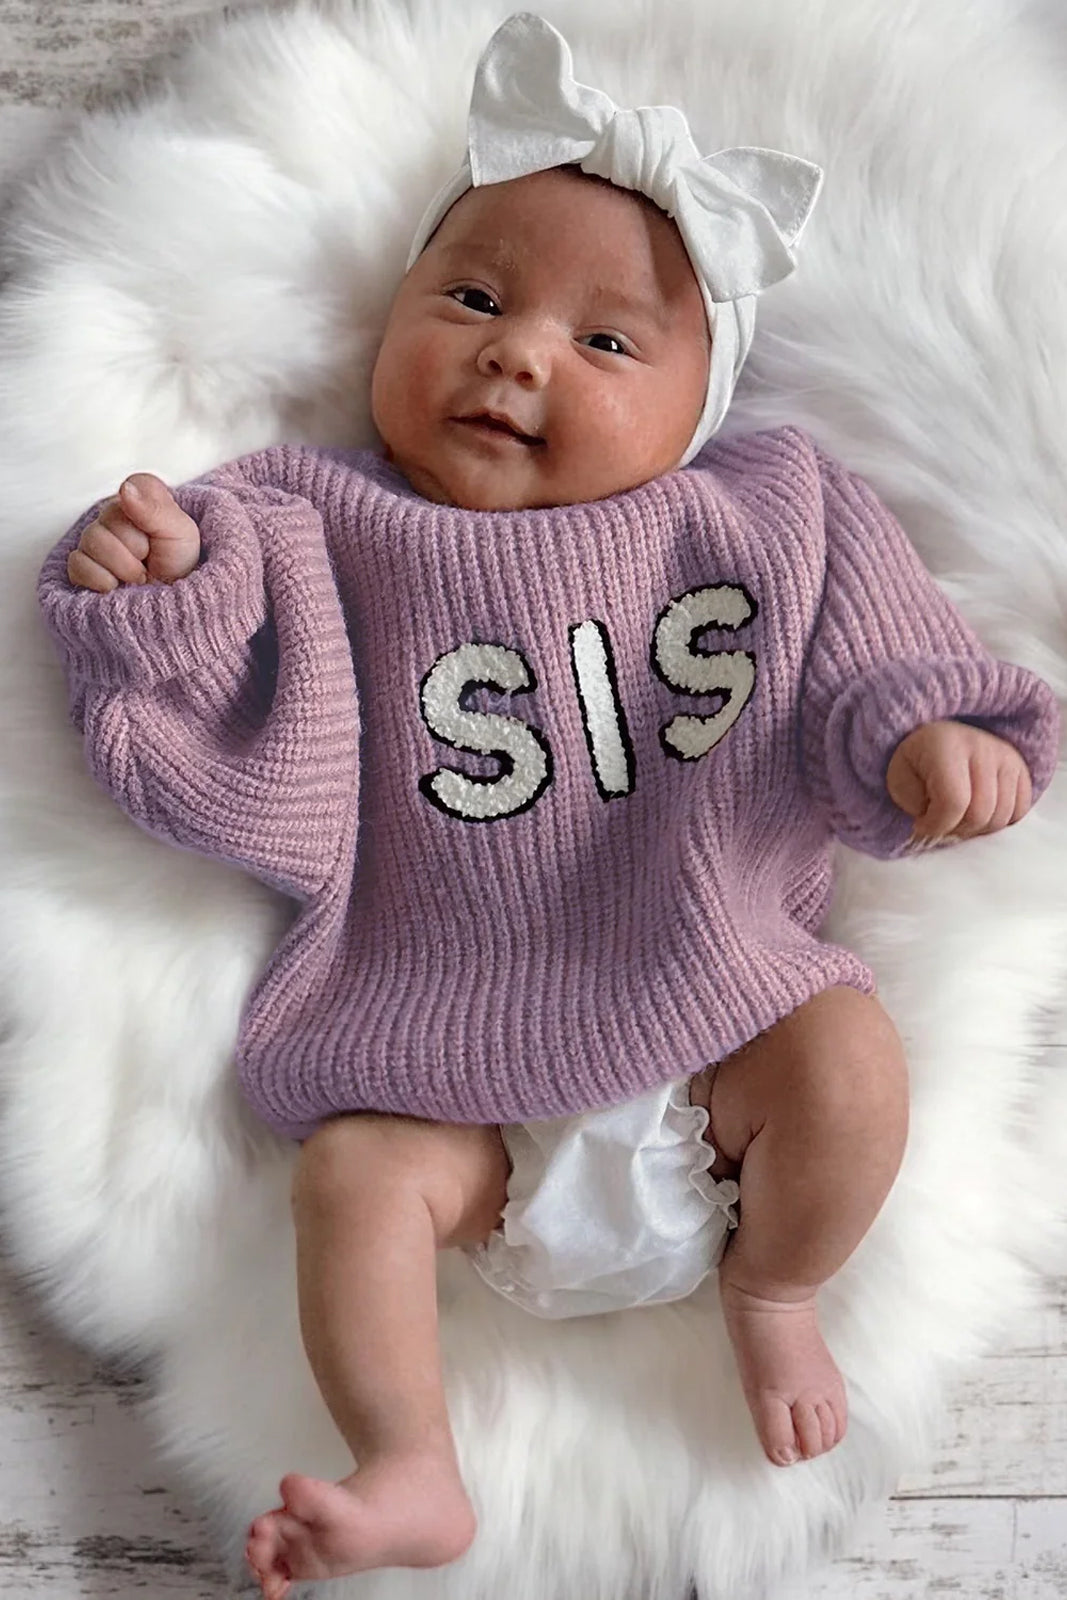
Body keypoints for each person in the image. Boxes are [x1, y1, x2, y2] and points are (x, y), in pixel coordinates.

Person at [36, 14, 1060, 1598]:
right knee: (350, 1185)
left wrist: (928, 737)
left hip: (721, 1033)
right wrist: (158, 591)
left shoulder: (762, 512)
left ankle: (777, 1293)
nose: (518, 351)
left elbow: (874, 642)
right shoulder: (319, 518)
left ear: (699, 406)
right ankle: (413, 1462)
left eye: (607, 342)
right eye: (472, 297)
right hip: (444, 1075)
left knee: (853, 1062)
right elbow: (216, 716)